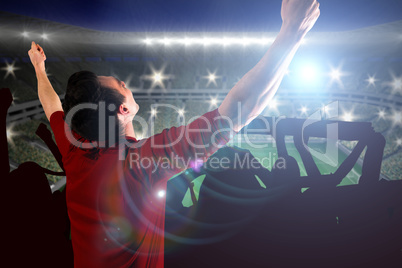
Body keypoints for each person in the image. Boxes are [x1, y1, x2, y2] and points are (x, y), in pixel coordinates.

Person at [28, 0, 320, 267]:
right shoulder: (141, 162)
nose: (125, 83)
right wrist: (292, 30)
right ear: (122, 111)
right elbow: (236, 113)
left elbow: (50, 102)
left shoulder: (74, 148)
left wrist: (40, 69)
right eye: (120, 84)